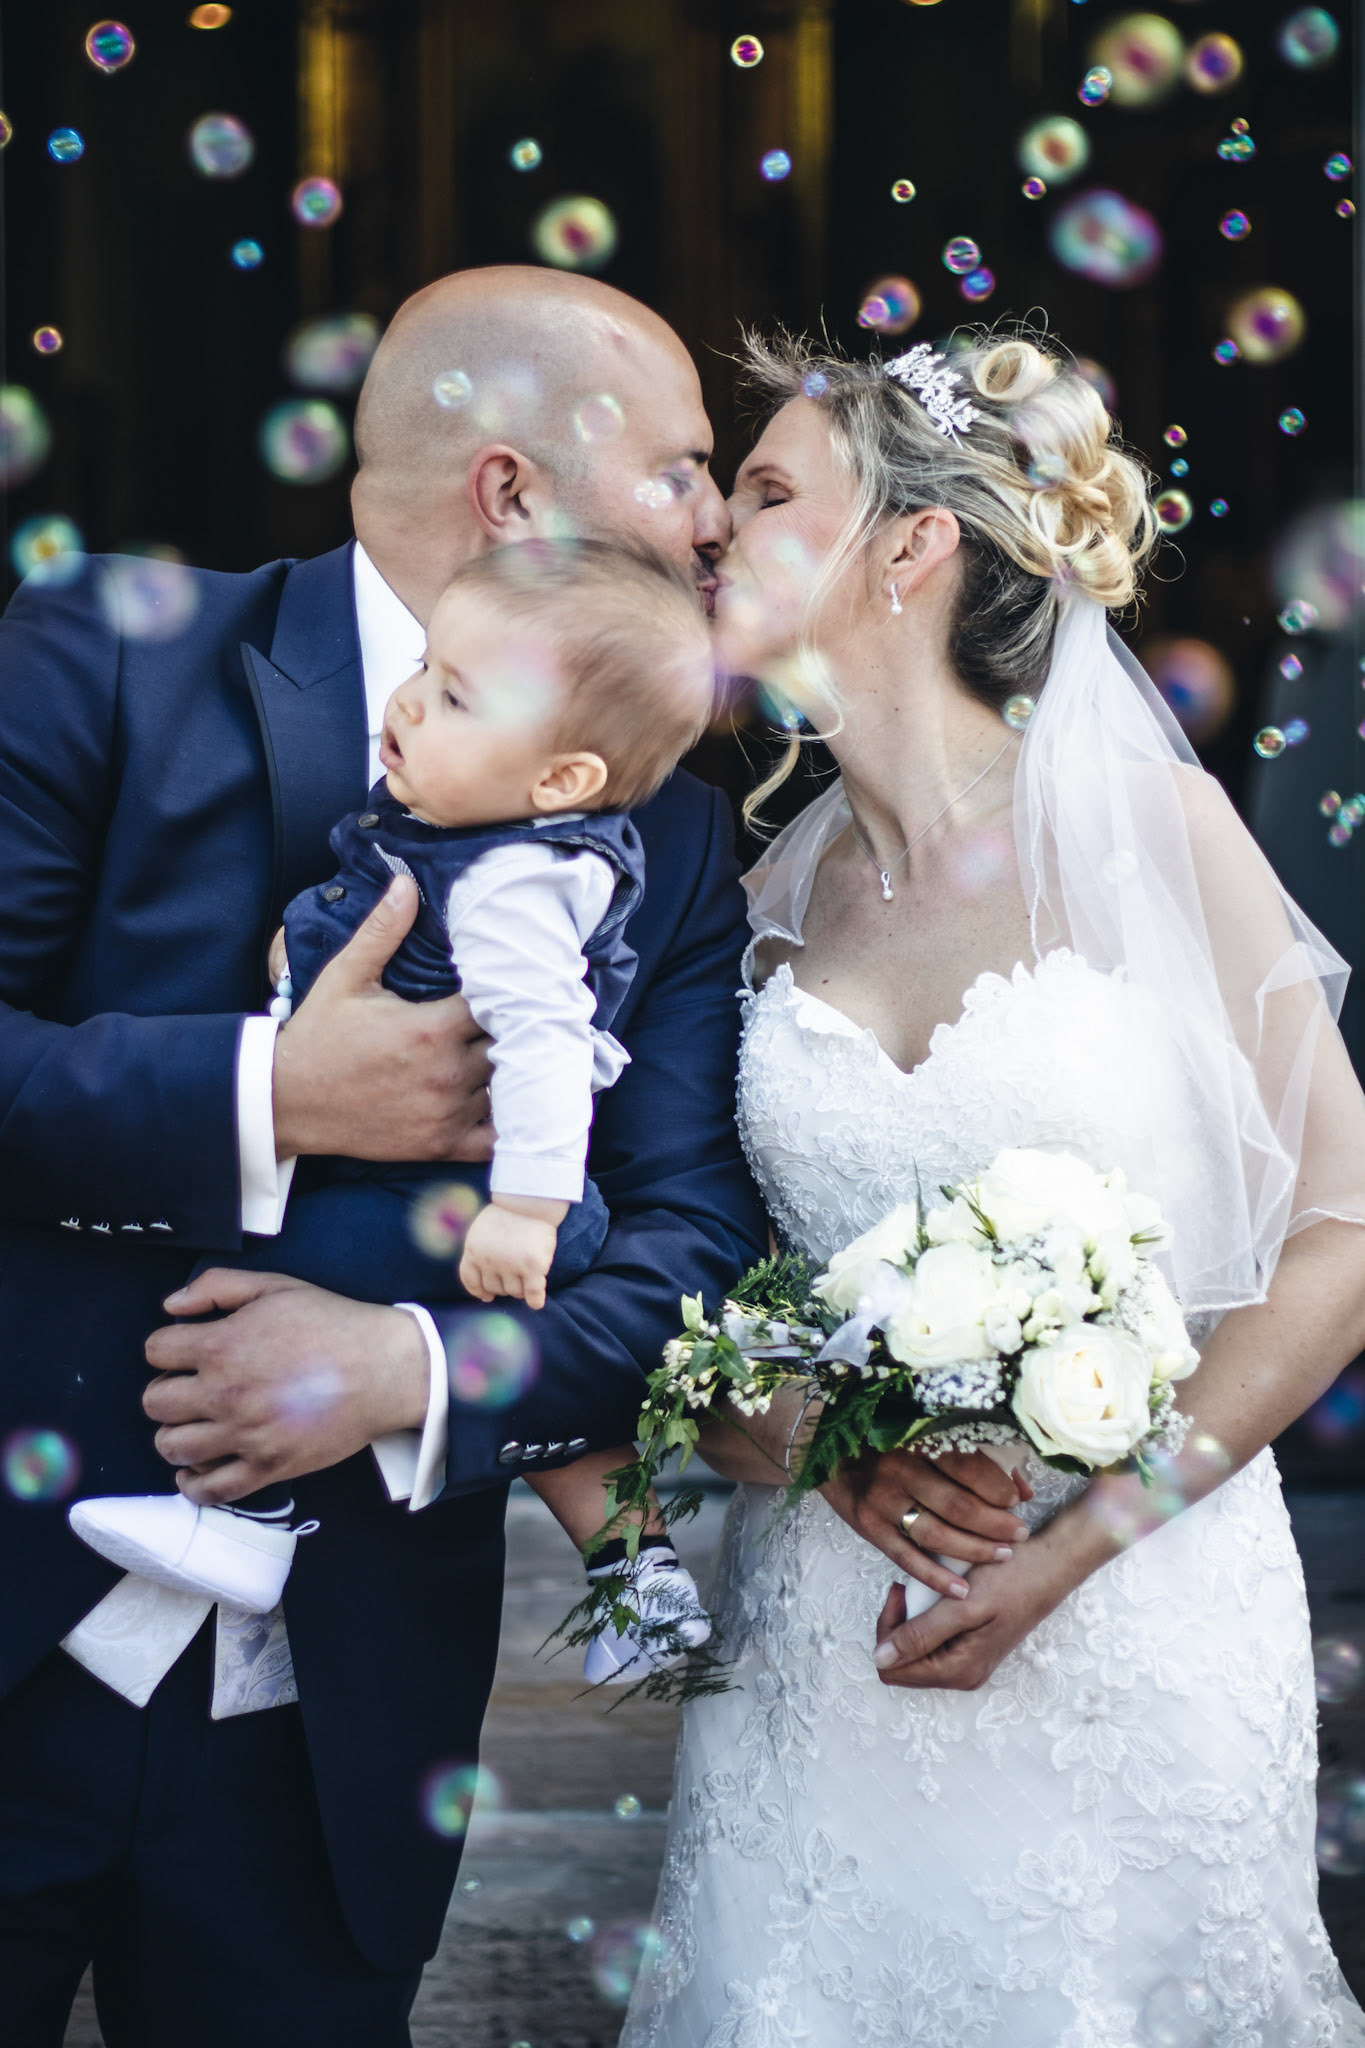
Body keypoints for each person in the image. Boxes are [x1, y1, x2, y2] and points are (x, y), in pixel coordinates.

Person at [0, 267, 775, 2048]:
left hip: (334, 1744)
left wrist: (410, 1367)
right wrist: (272, 1092)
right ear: (513, 491)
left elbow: (687, 1249)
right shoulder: (101, 652)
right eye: (679, 468)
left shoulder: (662, 836)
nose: (717, 518)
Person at [624, 329, 1365, 2045]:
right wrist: (806, 1430)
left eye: (768, 489)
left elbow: (1344, 1229)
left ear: (910, 545)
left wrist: (1083, 1542)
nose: (717, 525)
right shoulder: (749, 905)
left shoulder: (1152, 837)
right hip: (831, 1637)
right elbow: (681, 1287)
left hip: (1135, 1620)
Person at [66, 539, 716, 1684]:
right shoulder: (471, 830)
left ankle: (242, 1520)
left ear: (560, 780)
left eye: (455, 696)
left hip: (462, 1201)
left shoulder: (514, 882)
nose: (410, 702)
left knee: (235, 1276)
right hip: (460, 1197)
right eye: (423, 668)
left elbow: (546, 1042)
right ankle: (640, 1572)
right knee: (530, 1398)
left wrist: (526, 1209)